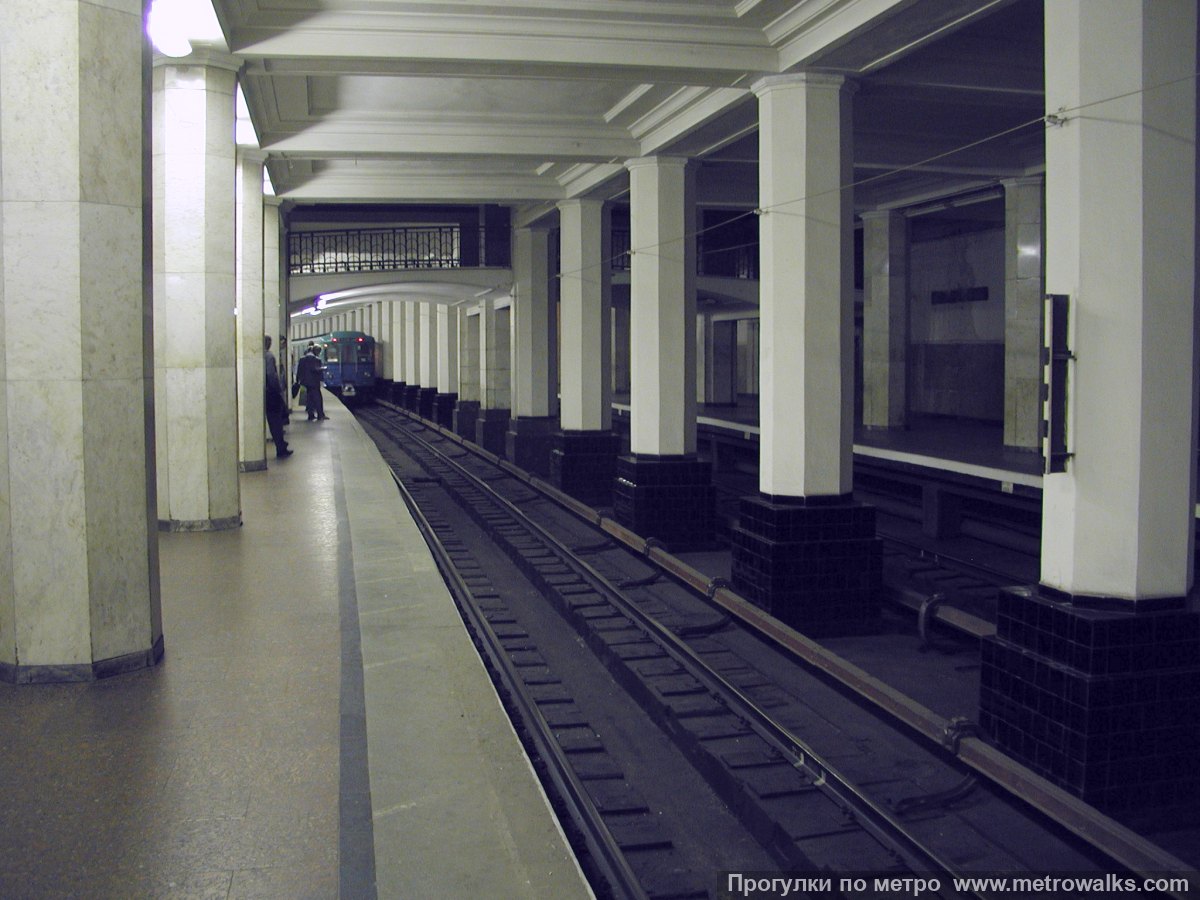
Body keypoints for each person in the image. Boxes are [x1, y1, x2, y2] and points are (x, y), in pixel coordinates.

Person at [263, 335, 292, 458]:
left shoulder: (259, 356)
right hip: (271, 394)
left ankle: (281, 445)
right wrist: (278, 390)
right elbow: (271, 375)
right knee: (276, 421)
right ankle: (281, 447)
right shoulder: (269, 356)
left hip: (264, 392)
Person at [295, 345, 327, 421]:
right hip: (314, 382)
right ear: (316, 351)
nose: (319, 354)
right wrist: (322, 369)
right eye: (318, 352)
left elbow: (299, 371)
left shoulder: (302, 359)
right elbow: (314, 369)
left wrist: (298, 381)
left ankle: (310, 415)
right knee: (318, 398)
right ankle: (320, 415)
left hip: (305, 382)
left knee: (309, 398)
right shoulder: (316, 360)